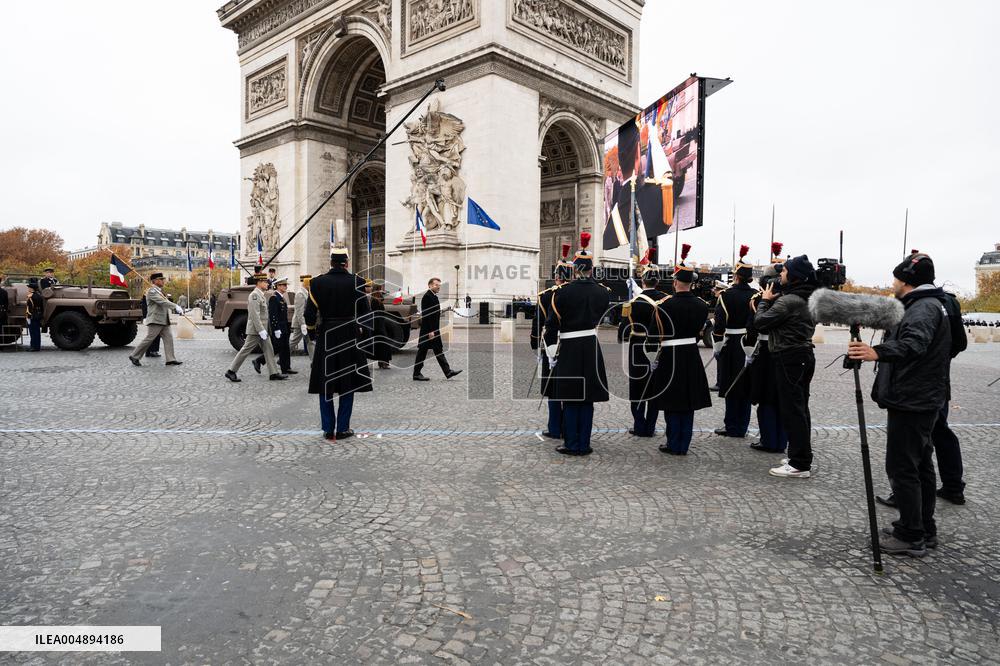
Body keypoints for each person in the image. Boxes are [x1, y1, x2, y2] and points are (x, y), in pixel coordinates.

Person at [848, 252, 952, 557]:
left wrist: (876, 353)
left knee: (903, 465)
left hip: (913, 397)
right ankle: (922, 525)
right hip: (923, 394)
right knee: (920, 463)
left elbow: (914, 344)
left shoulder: (922, 308)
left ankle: (911, 535)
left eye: (895, 278)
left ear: (905, 281)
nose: (892, 283)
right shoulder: (936, 303)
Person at [876, 280, 969, 508]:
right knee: (931, 441)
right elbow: (957, 343)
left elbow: (915, 344)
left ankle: (912, 513)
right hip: (932, 382)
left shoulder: (926, 305)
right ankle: (948, 490)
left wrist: (931, 360)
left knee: (913, 452)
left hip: (919, 386)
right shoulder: (943, 301)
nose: (894, 283)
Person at [543, 232, 610, 456]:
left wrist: (551, 354)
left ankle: (572, 443)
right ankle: (585, 442)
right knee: (587, 398)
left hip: (570, 348)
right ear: (591, 269)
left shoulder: (562, 293)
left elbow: (551, 327)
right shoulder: (603, 293)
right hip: (591, 345)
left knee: (571, 398)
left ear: (575, 269)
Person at [754, 255, 818, 478]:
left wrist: (765, 300)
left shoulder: (789, 301)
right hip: (802, 354)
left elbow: (761, 322)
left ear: (794, 276)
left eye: (784, 271)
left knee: (793, 411)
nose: (780, 274)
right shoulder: (808, 297)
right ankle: (800, 455)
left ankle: (800, 463)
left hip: (789, 356)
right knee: (801, 409)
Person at [647, 246, 713, 454]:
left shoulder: (663, 306)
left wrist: (651, 359)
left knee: (672, 401)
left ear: (675, 282)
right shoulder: (702, 306)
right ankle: (683, 443)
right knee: (688, 401)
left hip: (670, 356)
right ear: (691, 283)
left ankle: (673, 442)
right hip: (691, 355)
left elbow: (652, 336)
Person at [305, 247, 373, 441]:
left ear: (331, 263)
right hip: (349, 335)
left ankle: (328, 428)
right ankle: (343, 428)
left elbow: (309, 314)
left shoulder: (316, 283)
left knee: (325, 383)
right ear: (347, 263)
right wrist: (363, 331)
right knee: (347, 384)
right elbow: (365, 313)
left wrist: (312, 332)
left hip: (327, 335)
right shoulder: (358, 283)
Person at [713, 245, 757, 438]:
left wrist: (717, 346)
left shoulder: (726, 295)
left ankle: (732, 426)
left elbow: (719, 324)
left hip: (731, 344)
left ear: (736, 275)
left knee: (731, 385)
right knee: (745, 386)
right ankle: (743, 426)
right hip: (749, 343)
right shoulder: (756, 295)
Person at [747, 253, 788, 453]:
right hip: (785, 352)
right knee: (782, 397)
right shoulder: (791, 298)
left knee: (766, 398)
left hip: (765, 352)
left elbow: (754, 326)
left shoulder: (758, 300)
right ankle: (782, 440)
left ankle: (769, 439)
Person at [531, 243, 573, 440]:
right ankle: (569, 425)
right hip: (572, 346)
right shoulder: (576, 294)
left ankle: (554, 427)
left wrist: (534, 345)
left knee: (552, 388)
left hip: (550, 346)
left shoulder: (546, 296)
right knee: (570, 386)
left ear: (557, 277)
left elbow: (537, 324)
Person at [624, 262, 667, 438]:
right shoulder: (666, 299)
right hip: (658, 347)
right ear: (657, 281)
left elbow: (623, 332)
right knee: (654, 388)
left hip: (637, 348)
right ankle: (650, 426)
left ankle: (639, 424)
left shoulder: (633, 303)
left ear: (643, 281)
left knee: (637, 388)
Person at [225, 273, 285, 382]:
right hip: (256, 330)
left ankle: (273, 373)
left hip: (262, 330)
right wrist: (261, 330)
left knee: (269, 350)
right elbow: (254, 315)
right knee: (245, 350)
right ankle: (231, 371)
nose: (267, 283)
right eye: (265, 282)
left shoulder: (261, 294)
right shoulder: (254, 295)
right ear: (259, 283)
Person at [129, 272, 183, 367]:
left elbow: (164, 301)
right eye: (161, 279)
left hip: (163, 319)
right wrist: (175, 306)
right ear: (155, 281)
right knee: (149, 339)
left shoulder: (159, 291)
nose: (163, 281)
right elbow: (162, 301)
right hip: (155, 319)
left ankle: (170, 359)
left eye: (163, 279)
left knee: (168, 338)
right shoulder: (151, 291)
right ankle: (134, 356)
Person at [413, 277, 462, 381]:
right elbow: (427, 315)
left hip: (433, 329)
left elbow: (434, 313)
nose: (438, 287)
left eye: (439, 285)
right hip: (429, 330)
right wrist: (431, 331)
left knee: (438, 350)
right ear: (430, 285)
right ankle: (416, 374)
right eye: (436, 285)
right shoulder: (427, 296)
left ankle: (447, 372)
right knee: (422, 351)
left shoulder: (434, 296)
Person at [259, 277, 295, 375]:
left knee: (285, 348)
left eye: (286, 285)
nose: (286, 287)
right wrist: (276, 329)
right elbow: (273, 315)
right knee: (278, 347)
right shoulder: (274, 298)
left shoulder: (281, 297)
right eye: (284, 285)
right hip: (279, 327)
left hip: (284, 326)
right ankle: (259, 360)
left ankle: (286, 368)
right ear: (278, 286)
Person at [289, 274, 314, 357]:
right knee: (293, 342)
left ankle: (313, 362)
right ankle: (283, 358)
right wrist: (303, 324)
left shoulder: (306, 293)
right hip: (300, 324)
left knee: (310, 342)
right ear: (306, 285)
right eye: (310, 285)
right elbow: (300, 311)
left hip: (304, 323)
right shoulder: (300, 294)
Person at [370, 284, 393, 369]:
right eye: (380, 289)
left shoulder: (377, 299)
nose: (382, 290)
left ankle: (383, 362)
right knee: (383, 344)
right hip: (378, 325)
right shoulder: (375, 300)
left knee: (382, 344)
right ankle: (383, 363)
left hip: (380, 324)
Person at [139, 293, 161, 358]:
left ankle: (149, 351)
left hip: (153, 316)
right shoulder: (150, 293)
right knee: (155, 335)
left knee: (151, 335)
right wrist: (145, 317)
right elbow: (145, 306)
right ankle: (153, 351)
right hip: (153, 317)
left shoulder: (153, 292)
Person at [26, 281, 44, 351]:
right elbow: (42, 307)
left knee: (32, 332)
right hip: (38, 315)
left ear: (32, 289)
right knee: (37, 332)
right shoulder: (39, 296)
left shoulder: (31, 296)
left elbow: (29, 307)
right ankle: (37, 346)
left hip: (32, 315)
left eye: (29, 287)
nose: (28, 289)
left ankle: (33, 346)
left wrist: (28, 316)